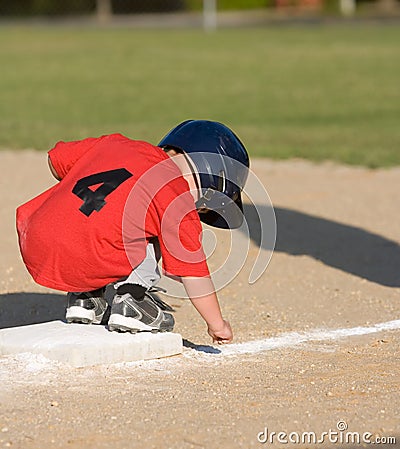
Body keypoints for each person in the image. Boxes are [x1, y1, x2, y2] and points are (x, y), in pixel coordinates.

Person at [16, 120, 249, 344]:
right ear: (214, 179)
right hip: (92, 251)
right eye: (205, 207)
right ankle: (132, 299)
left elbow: (55, 160)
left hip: (36, 238)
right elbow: (193, 274)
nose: (198, 210)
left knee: (108, 219)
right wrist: (217, 325)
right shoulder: (178, 198)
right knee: (152, 227)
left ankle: (85, 299)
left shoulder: (116, 143)